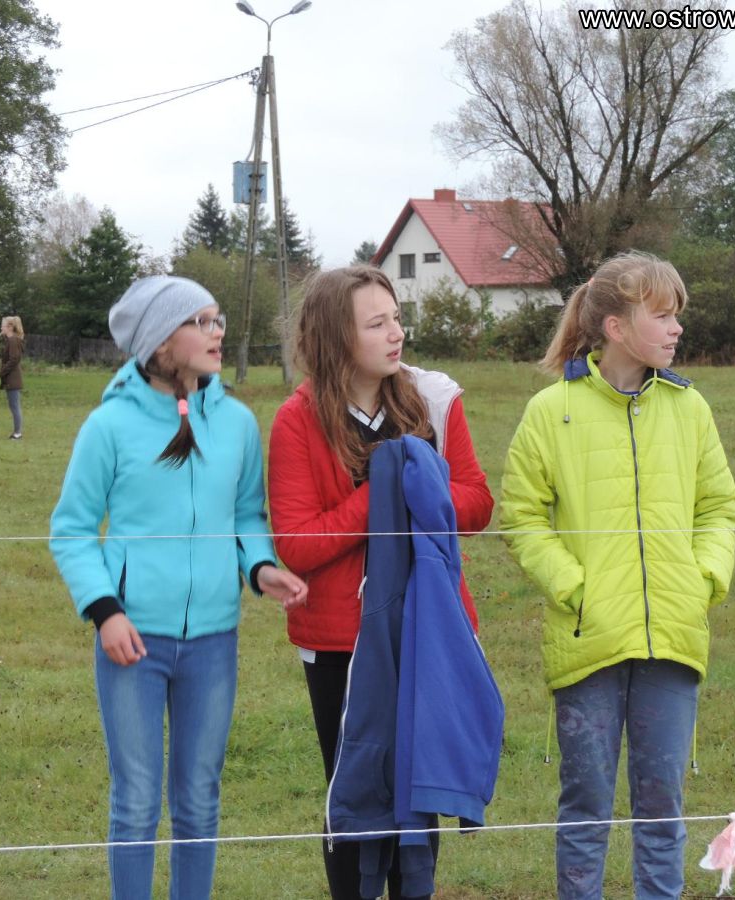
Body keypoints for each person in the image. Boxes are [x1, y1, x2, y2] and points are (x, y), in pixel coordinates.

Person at [50, 275, 308, 900]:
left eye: (219, 320)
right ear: (161, 340)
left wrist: (260, 567)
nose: (218, 333)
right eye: (201, 321)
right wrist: (106, 612)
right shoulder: (108, 427)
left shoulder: (238, 423)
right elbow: (73, 529)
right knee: (137, 801)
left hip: (214, 642)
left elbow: (246, 515)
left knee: (198, 799)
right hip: (133, 643)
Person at [498, 251, 735, 900]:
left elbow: (718, 507)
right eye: (662, 315)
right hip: (590, 640)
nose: (677, 328)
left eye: (677, 316)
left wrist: (703, 580)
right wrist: (576, 589)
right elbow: (521, 516)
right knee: (586, 805)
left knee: (662, 806)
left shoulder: (691, 408)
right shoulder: (550, 411)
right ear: (615, 327)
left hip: (673, 639)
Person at [267, 265, 494, 900]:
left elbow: (478, 503)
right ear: (336, 337)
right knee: (356, 795)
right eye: (377, 324)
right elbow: (297, 544)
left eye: (397, 318)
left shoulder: (432, 401)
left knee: (418, 789)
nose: (397, 334)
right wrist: (383, 496)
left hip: (427, 628)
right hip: (339, 641)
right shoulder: (296, 420)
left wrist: (418, 486)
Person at [0, 316, 24, 439]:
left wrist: (3, 371)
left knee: (14, 406)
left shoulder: (13, 340)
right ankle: (17, 431)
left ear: (10, 327)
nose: (1, 328)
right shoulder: (11, 340)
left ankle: (17, 433)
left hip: (13, 378)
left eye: (3, 325)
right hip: (11, 377)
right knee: (13, 405)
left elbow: (14, 359)